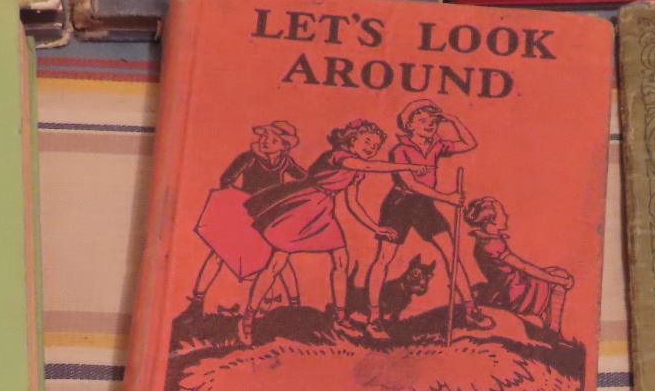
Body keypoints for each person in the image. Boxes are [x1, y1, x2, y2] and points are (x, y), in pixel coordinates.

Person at [236, 119, 403, 345]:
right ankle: (248, 318)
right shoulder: (338, 155)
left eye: (375, 147)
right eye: (367, 142)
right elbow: (365, 166)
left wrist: (376, 228)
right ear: (352, 140)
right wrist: (406, 167)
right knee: (277, 263)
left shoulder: (356, 171)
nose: (371, 148)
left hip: (323, 210)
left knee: (341, 260)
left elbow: (353, 204)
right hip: (303, 204)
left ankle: (340, 318)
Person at [358, 98, 488, 340]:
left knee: (452, 254)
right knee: (384, 258)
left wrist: (453, 119)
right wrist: (447, 198)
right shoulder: (400, 150)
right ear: (409, 125)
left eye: (434, 121)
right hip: (399, 204)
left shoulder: (436, 145)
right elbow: (410, 183)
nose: (430, 125)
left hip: (424, 204)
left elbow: (470, 143)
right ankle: (374, 318)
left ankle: (471, 310)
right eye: (422, 120)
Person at [184, 121, 305, 317]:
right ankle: (197, 302)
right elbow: (226, 180)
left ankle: (295, 306)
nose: (266, 141)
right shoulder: (249, 157)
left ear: (284, 146)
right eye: (264, 136)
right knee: (219, 253)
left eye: (273, 140)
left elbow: (305, 180)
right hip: (244, 213)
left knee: (280, 258)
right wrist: (239, 200)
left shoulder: (285, 162)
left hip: (267, 216)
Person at [463, 196, 573, 332]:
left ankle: (550, 328)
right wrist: (560, 281)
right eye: (503, 213)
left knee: (554, 275)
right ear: (492, 220)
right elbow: (524, 267)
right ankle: (554, 330)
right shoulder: (493, 245)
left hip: (506, 285)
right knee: (559, 276)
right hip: (515, 291)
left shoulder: (483, 241)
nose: (507, 216)